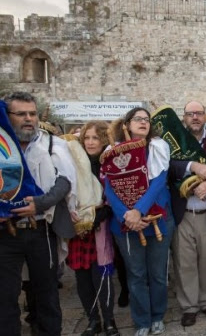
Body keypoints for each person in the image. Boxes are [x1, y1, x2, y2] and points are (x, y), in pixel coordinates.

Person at [0, 92, 77, 335]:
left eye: (32, 113)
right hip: (5, 233)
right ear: (7, 116)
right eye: (21, 114)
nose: (28, 119)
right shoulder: (2, 147)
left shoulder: (53, 144)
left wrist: (40, 203)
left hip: (40, 230)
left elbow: (65, 181)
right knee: (5, 296)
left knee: (47, 294)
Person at [104, 107, 174, 336]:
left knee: (157, 273)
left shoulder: (157, 147)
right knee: (136, 275)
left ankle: (157, 317)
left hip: (155, 218)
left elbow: (159, 181)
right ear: (127, 124)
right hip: (125, 222)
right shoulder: (112, 151)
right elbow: (109, 187)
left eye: (146, 119)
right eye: (138, 119)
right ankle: (142, 321)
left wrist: (140, 210)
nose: (143, 122)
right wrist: (127, 214)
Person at [169, 101, 206, 326]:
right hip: (183, 213)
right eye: (190, 114)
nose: (195, 117)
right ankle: (189, 306)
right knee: (185, 262)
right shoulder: (173, 141)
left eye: (199, 113)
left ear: (205, 116)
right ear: (184, 117)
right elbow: (168, 166)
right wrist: (192, 166)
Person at [67, 121, 120, 336]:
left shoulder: (109, 163)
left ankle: (109, 320)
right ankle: (92, 320)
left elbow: (114, 196)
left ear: (104, 140)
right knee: (83, 279)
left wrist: (98, 217)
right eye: (86, 138)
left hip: (100, 228)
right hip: (78, 227)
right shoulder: (73, 164)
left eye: (95, 138)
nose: (90, 142)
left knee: (102, 277)